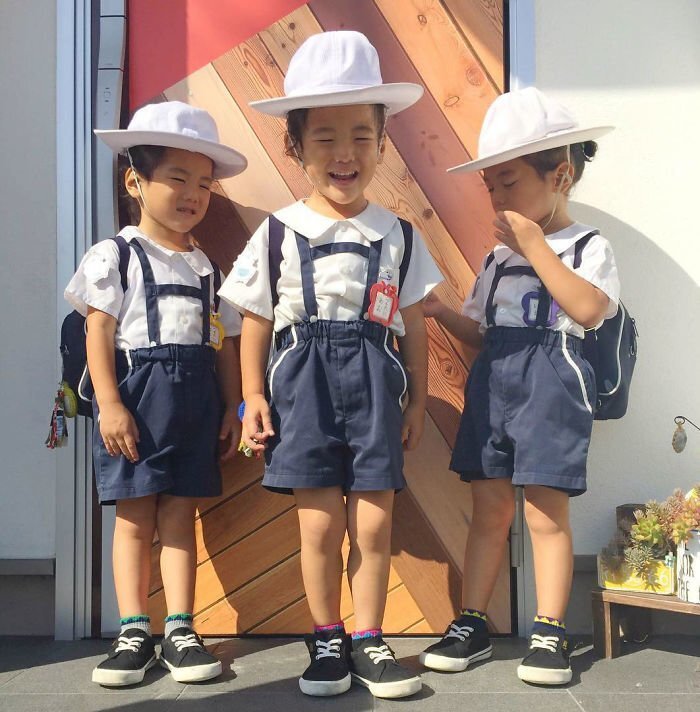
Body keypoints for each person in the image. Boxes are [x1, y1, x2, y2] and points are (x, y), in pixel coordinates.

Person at [219, 31, 442, 699]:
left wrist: (418, 401)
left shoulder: (400, 235)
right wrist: (251, 397)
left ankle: (369, 642)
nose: (343, 152)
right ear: (294, 145)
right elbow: (252, 320)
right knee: (317, 524)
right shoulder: (279, 233)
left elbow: (415, 324)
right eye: (324, 137)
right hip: (303, 389)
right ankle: (326, 640)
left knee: (373, 523)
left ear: (381, 142)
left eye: (359, 135)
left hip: (376, 387)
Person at [419, 87, 619, 685]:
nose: (498, 197)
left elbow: (588, 310)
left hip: (553, 383)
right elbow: (483, 332)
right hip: (495, 384)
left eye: (509, 183)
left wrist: (535, 245)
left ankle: (550, 631)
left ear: (560, 175)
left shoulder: (588, 247)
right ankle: (472, 622)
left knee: (545, 513)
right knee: (490, 508)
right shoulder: (496, 260)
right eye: (492, 187)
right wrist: (439, 313)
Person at [65, 101, 247, 686]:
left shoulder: (206, 269)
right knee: (135, 517)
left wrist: (231, 406)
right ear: (136, 182)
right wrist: (111, 404)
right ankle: (133, 629)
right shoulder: (115, 255)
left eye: (204, 183)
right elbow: (99, 328)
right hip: (138, 400)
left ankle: (181, 628)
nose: (194, 193)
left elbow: (219, 344)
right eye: (178, 178)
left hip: (194, 402)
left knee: (180, 515)